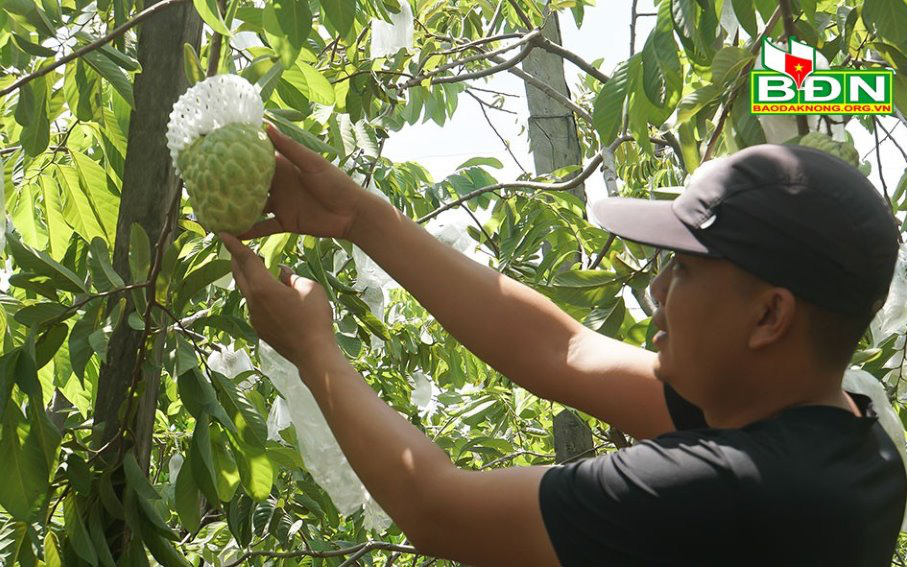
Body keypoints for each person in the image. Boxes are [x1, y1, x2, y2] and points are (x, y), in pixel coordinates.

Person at [219, 125, 906, 566]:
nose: (656, 290)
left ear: (768, 317)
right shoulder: (848, 441)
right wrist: (359, 217)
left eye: (685, 269)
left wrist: (312, 349)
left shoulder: (720, 488)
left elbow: (434, 507)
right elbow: (562, 351)